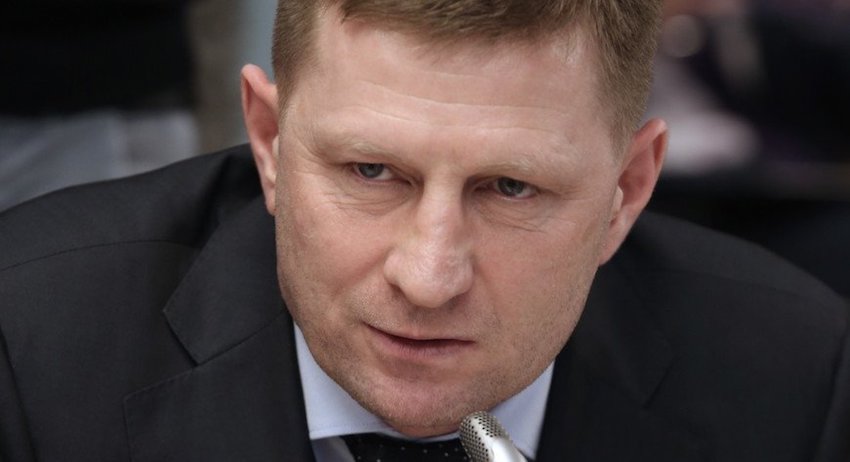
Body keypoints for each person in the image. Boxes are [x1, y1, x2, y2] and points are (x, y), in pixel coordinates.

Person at [0, 1, 847, 461]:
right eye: (372, 173)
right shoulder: (33, 347)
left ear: (626, 192)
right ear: (269, 142)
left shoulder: (796, 383)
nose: (429, 277)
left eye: (511, 188)